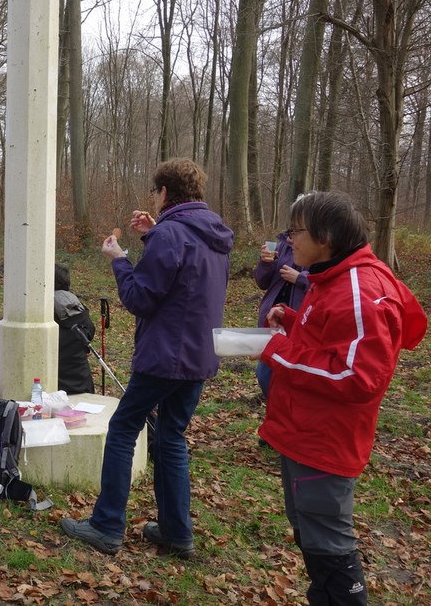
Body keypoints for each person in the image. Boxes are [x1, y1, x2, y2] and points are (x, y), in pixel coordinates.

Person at [60, 158, 233, 559]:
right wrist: (153, 236)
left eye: (156, 192)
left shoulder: (171, 234)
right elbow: (183, 273)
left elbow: (140, 298)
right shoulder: (210, 234)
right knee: (172, 437)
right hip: (199, 356)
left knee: (123, 428)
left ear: (165, 192)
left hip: (165, 355)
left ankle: (105, 526)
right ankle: (176, 533)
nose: (154, 199)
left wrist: (119, 259)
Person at [258, 192, 426, 605]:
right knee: (311, 536)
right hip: (302, 431)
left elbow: (357, 375)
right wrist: (294, 322)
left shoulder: (358, 288)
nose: (289, 240)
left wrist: (278, 350)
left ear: (327, 236)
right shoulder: (330, 276)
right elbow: (334, 340)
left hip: (324, 441)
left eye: (296, 231)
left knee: (329, 548)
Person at [252, 232, 309, 399]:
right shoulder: (281, 245)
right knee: (265, 373)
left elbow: (325, 282)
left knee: (289, 373)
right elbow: (262, 282)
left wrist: (300, 278)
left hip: (299, 319)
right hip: (273, 318)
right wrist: (266, 263)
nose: (292, 235)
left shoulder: (319, 247)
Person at [53, 263, 96, 395]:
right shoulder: (79, 308)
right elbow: (90, 333)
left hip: (53, 389)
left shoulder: (43, 312)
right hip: (82, 384)